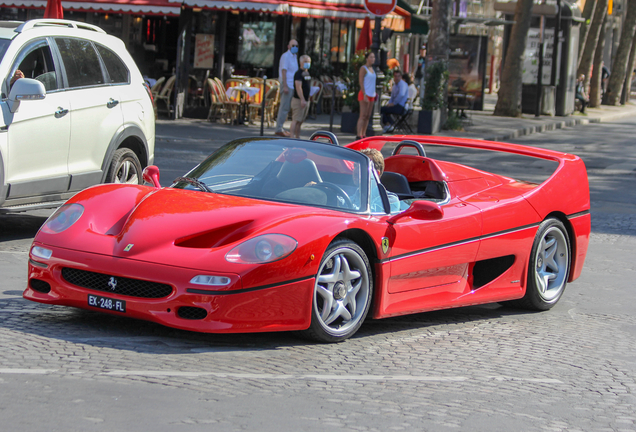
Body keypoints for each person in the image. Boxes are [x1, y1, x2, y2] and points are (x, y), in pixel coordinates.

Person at [359, 148, 400, 213]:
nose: (356, 171)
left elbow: (374, 218)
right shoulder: (353, 193)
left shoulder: (389, 200)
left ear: (376, 174)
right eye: (355, 166)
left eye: (362, 167)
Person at [275, 39, 299, 137]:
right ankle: (278, 128)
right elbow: (283, 71)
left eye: (296, 46)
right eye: (293, 45)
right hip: (287, 84)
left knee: (288, 108)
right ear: (288, 46)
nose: (295, 47)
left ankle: (281, 128)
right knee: (284, 107)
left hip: (292, 84)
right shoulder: (286, 56)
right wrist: (284, 85)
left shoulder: (294, 57)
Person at [290, 55, 312, 139]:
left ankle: (297, 137)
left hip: (306, 100)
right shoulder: (299, 73)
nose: (307, 63)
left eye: (309, 62)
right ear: (301, 62)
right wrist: (302, 99)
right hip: (298, 100)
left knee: (300, 121)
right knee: (296, 120)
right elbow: (298, 87)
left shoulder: (307, 73)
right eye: (305, 61)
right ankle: (292, 137)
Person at [356, 51, 376, 140]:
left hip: (372, 94)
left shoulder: (372, 69)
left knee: (368, 115)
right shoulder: (363, 68)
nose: (373, 59)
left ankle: (364, 134)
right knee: (363, 115)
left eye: (374, 57)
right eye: (371, 57)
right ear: (367, 58)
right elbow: (361, 81)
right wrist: (364, 93)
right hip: (365, 93)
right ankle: (358, 134)